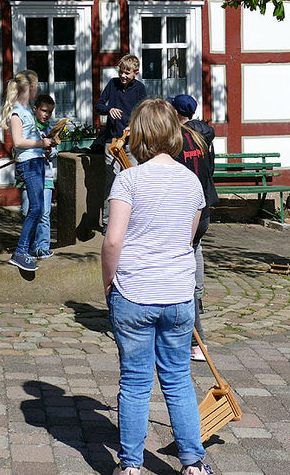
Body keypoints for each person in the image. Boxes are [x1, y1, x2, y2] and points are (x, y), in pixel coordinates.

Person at [102, 98, 212, 475]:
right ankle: (193, 463)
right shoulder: (192, 181)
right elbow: (189, 237)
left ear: (140, 134)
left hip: (135, 291)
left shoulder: (128, 179)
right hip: (179, 294)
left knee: (134, 382)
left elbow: (113, 241)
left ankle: (131, 465)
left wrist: (108, 286)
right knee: (179, 379)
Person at [167, 94, 219, 362]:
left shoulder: (176, 140)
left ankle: (195, 341)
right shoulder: (203, 138)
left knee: (180, 273)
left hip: (186, 212)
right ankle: (197, 300)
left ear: (176, 113)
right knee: (194, 254)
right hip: (204, 209)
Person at [0, 70, 55, 272]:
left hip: (37, 162)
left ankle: (27, 250)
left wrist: (44, 145)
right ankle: (21, 251)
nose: (38, 87)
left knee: (38, 208)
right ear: (30, 87)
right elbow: (19, 142)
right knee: (36, 208)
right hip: (28, 164)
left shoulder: (27, 111)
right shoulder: (17, 112)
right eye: (37, 84)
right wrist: (42, 142)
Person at [96, 54, 147, 230]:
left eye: (127, 73)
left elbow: (143, 113)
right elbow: (99, 105)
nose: (123, 76)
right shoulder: (112, 84)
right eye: (121, 72)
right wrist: (109, 109)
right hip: (112, 141)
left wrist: (134, 126)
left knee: (132, 181)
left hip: (132, 141)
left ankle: (131, 220)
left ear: (136, 73)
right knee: (112, 180)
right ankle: (108, 221)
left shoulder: (140, 89)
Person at [16, 94, 57, 259]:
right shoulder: (29, 127)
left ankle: (42, 247)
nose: (46, 115)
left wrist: (50, 149)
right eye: (44, 110)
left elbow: (55, 152)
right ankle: (29, 246)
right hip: (29, 175)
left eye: (50, 112)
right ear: (35, 109)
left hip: (46, 177)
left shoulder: (50, 129)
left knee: (44, 213)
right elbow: (20, 146)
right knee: (29, 212)